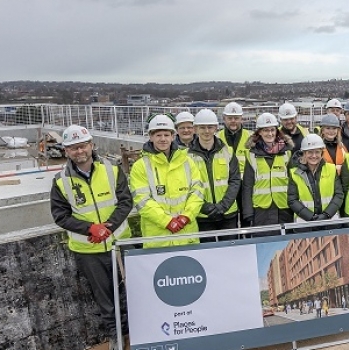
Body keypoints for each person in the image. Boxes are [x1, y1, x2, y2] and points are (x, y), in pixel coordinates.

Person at [50, 125, 132, 349]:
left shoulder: (112, 169)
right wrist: (90, 229)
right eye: (73, 148)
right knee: (105, 299)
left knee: (130, 293)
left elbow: (126, 201)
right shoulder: (60, 181)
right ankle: (116, 336)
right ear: (66, 151)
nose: (79, 151)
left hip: (118, 244)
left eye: (83, 146)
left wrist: (110, 227)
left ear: (91, 145)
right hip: (88, 251)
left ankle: (135, 334)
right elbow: (60, 216)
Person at [131, 114, 204, 248]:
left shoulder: (187, 161)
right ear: (151, 137)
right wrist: (167, 222)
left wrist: (186, 217)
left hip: (186, 234)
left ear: (172, 136)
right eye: (158, 135)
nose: (163, 139)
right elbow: (142, 200)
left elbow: (197, 192)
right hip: (158, 238)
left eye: (166, 135)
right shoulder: (140, 166)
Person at [188, 109, 241, 236]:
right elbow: (186, 186)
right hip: (202, 214)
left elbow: (235, 180)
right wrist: (205, 207)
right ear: (195, 129)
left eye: (210, 127)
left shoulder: (227, 151)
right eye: (202, 127)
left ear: (216, 128)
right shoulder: (187, 156)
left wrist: (223, 206)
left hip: (228, 213)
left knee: (230, 252)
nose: (207, 131)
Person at [241, 113, 294, 229]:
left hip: (284, 208)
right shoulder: (251, 155)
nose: (270, 134)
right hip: (261, 210)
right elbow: (247, 186)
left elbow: (294, 183)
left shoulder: (287, 153)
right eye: (265, 130)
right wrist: (248, 212)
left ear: (277, 131)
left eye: (272, 130)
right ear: (259, 132)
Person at [287, 134, 344, 226]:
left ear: (322, 152)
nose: (314, 156)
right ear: (304, 153)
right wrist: (310, 217)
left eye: (317, 152)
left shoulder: (331, 169)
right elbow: (292, 200)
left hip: (330, 221)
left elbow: (339, 195)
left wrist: (326, 215)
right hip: (304, 223)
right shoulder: (295, 173)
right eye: (310, 152)